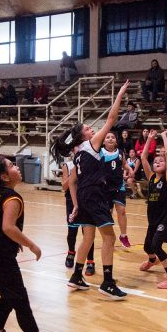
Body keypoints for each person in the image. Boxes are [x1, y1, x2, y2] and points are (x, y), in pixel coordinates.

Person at [51, 80, 130, 300]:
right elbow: (112, 119)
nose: (91, 128)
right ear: (83, 136)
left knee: (87, 238)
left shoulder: (77, 154)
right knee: (109, 237)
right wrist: (120, 95)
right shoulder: (92, 144)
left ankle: (76, 276)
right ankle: (107, 283)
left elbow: (74, 181)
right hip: (95, 195)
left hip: (86, 196)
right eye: (87, 128)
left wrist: (76, 205)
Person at [0, 158, 64, 332]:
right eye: (12, 166)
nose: (17, 167)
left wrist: (14, 241)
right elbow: (8, 227)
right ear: (5, 177)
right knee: (20, 299)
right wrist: (31, 245)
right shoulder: (11, 197)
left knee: (9, 295)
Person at [139, 129, 167, 289]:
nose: (157, 162)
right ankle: (152, 260)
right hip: (153, 219)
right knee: (147, 247)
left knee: (157, 246)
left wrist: (163, 136)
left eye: (160, 161)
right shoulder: (151, 178)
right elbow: (143, 158)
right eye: (155, 161)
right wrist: (149, 139)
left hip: (165, 218)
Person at [62, 149, 95, 272]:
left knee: (88, 232)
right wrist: (73, 174)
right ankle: (71, 252)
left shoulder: (88, 161)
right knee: (72, 229)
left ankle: (90, 260)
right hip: (71, 200)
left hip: (86, 198)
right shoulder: (67, 165)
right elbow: (64, 186)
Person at [101, 132, 133, 249]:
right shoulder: (100, 153)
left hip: (119, 185)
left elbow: (124, 164)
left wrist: (129, 169)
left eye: (113, 137)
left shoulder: (120, 152)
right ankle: (110, 238)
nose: (110, 139)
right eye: (107, 137)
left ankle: (123, 236)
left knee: (122, 211)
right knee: (108, 214)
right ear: (104, 141)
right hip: (105, 188)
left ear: (116, 140)